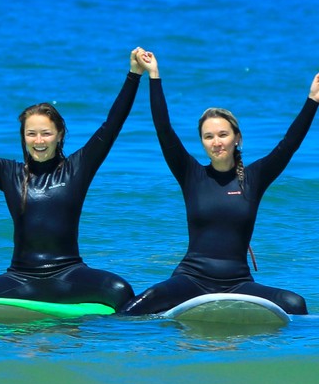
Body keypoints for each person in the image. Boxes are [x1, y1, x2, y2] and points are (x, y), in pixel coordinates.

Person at [0, 52, 147, 310]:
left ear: (59, 135)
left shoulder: (77, 168)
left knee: (121, 291)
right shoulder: (9, 173)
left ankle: (108, 332)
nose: (39, 141)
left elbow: (112, 125)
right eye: (31, 134)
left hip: (69, 275)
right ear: (24, 137)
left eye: (46, 133)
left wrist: (134, 74)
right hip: (21, 278)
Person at [121, 51, 318, 316]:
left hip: (238, 282)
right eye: (208, 136)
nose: (216, 142)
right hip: (191, 279)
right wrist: (154, 76)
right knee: (136, 307)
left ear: (237, 138)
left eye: (223, 134)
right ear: (202, 142)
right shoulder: (191, 174)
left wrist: (313, 100)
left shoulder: (254, 178)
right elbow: (164, 130)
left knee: (296, 304)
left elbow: (288, 145)